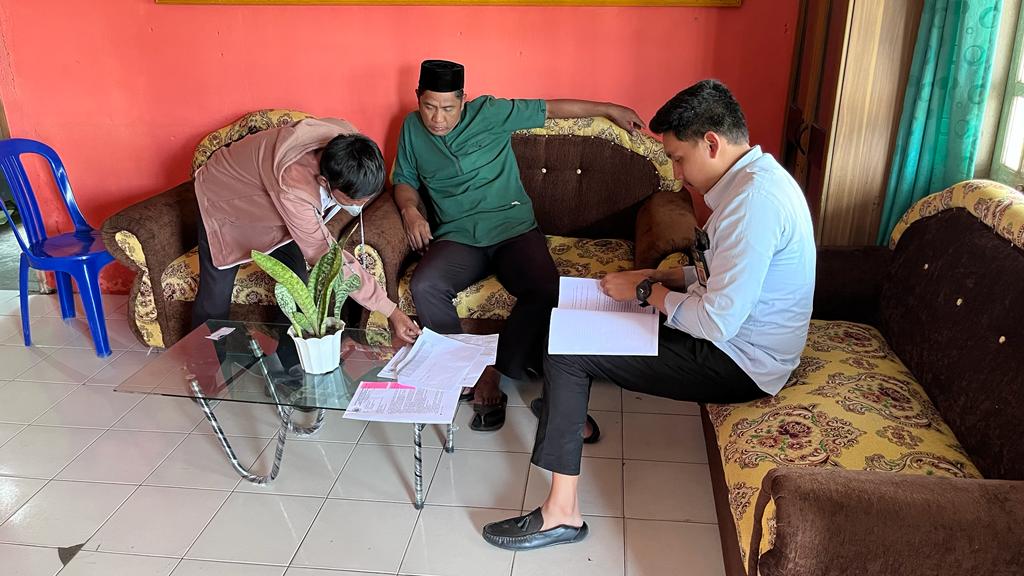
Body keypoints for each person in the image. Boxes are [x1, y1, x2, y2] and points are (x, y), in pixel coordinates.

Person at [481, 79, 817, 550]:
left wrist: (645, 292)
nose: (677, 174)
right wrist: (655, 277)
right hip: (732, 335)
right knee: (568, 314)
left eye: (678, 159)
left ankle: (562, 515)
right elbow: (721, 276)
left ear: (712, 143)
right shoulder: (753, 183)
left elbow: (716, 321)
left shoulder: (753, 205)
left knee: (568, 353)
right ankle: (572, 421)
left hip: (741, 360)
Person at [393, 59, 645, 431]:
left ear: (463, 99)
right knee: (425, 284)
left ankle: (495, 370)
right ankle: (463, 368)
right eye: (429, 106)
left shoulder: (490, 112)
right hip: (458, 235)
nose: (438, 118)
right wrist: (410, 211)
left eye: (447, 108)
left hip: (512, 229)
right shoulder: (412, 129)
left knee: (545, 288)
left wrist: (608, 108)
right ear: (418, 98)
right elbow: (404, 179)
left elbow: (551, 109)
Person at [192, 117, 421, 344]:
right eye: (355, 201)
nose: (359, 206)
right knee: (216, 294)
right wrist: (391, 311)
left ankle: (289, 360)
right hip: (222, 197)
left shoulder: (347, 138)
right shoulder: (293, 188)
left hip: (269, 197)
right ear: (323, 182)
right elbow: (327, 257)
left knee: (297, 285)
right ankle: (204, 361)